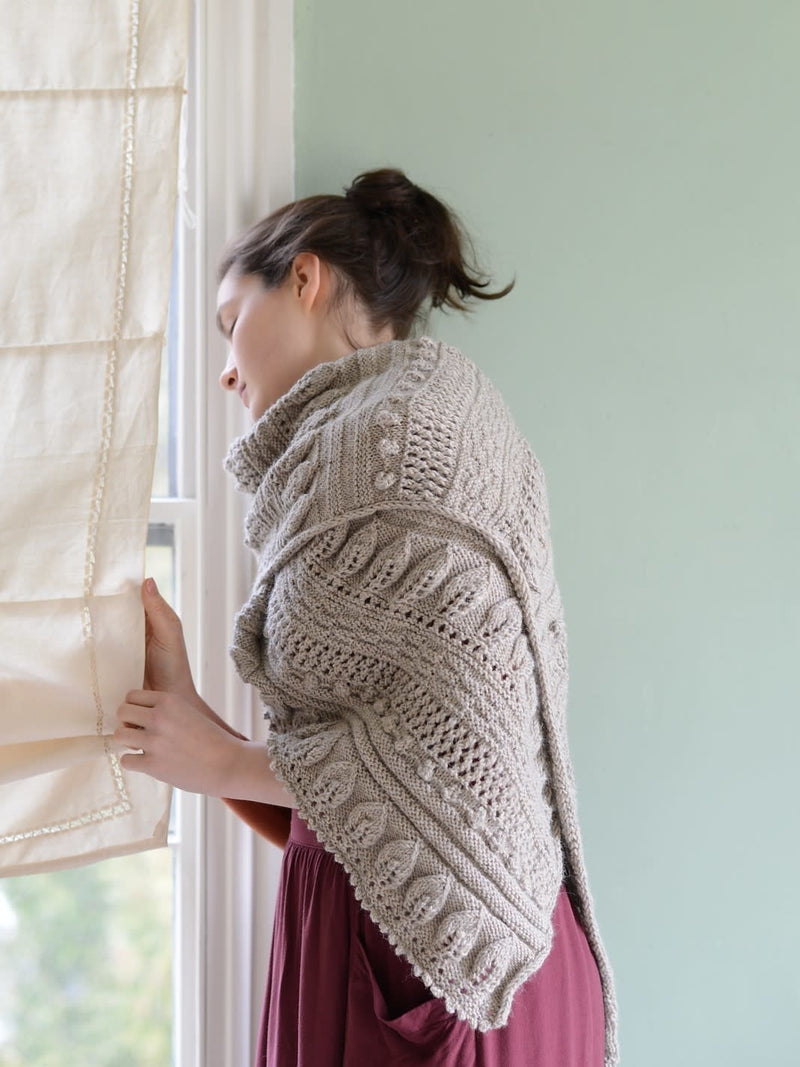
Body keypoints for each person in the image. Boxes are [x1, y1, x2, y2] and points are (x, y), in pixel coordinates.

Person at [114, 168, 620, 1067]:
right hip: (416, 933)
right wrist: (197, 724)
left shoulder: (392, 449)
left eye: (231, 320)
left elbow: (434, 765)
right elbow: (381, 771)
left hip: (437, 976)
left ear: (304, 279)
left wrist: (217, 757)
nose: (226, 368)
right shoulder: (393, 435)